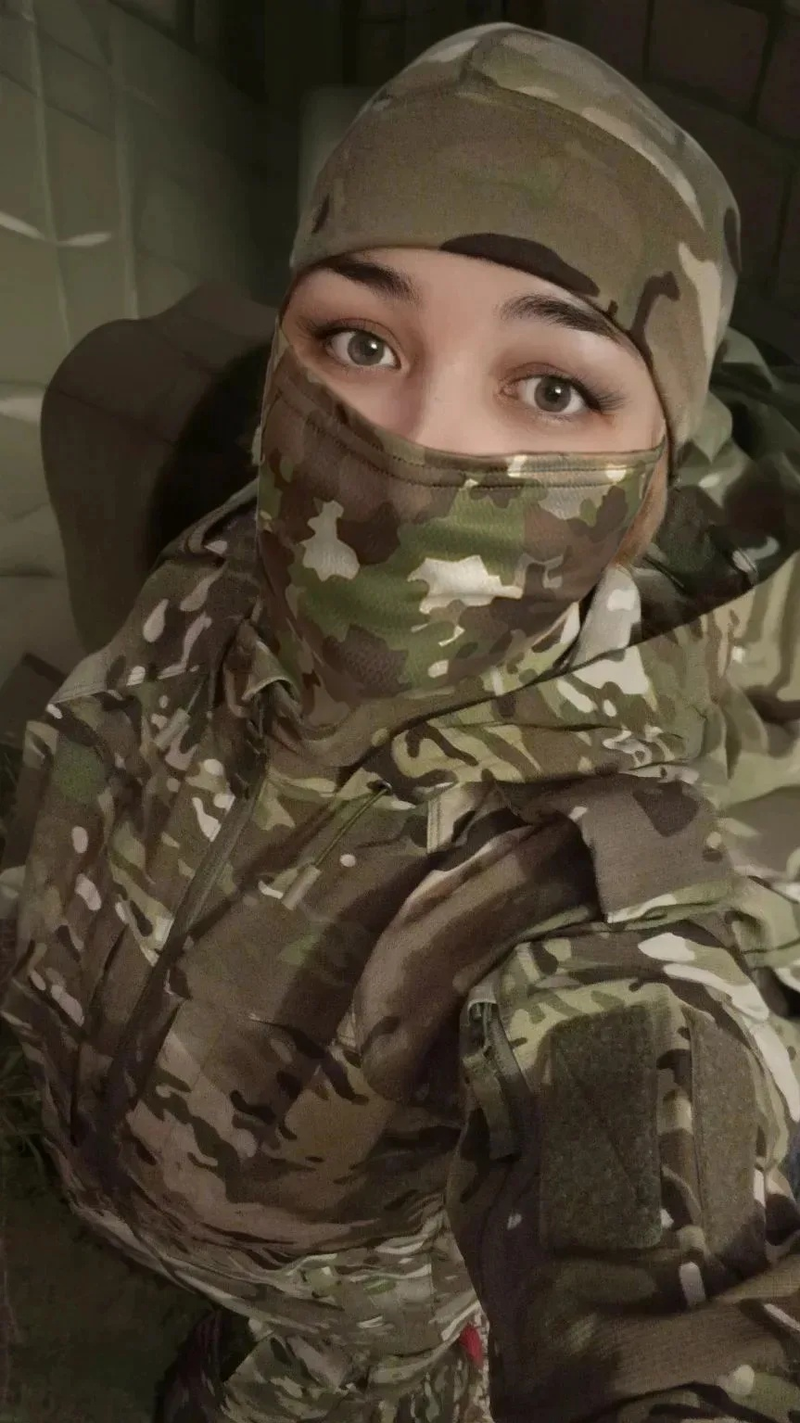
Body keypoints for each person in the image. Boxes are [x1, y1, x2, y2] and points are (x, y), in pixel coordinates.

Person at [2, 20, 800, 1422]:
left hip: (343, 1349)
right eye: (361, 339)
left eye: (553, 388)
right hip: (72, 1146)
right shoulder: (237, 542)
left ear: (644, 490)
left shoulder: (611, 863)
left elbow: (663, 1246)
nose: (417, 451)